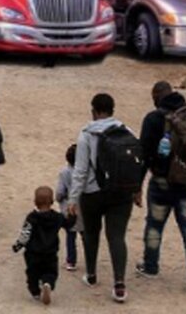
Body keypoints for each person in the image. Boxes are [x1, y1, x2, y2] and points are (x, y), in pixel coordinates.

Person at [67, 92, 141, 303]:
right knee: (117, 236)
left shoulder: (86, 134)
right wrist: (137, 190)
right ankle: (119, 284)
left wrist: (72, 200)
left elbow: (80, 171)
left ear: (94, 110)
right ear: (112, 110)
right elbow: (135, 164)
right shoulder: (127, 131)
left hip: (93, 194)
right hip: (121, 191)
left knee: (92, 233)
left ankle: (91, 274)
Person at [136, 81, 186, 292]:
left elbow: (144, 154)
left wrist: (137, 186)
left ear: (156, 96)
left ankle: (150, 266)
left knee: (155, 225)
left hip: (161, 183)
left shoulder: (153, 119)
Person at [12, 185, 78, 305]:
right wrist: (73, 215)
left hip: (33, 253)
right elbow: (69, 225)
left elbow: (25, 234)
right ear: (52, 202)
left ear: (35, 202)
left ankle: (35, 291)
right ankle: (47, 283)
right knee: (51, 272)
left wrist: (18, 245)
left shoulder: (32, 217)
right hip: (50, 252)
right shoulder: (57, 217)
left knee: (32, 273)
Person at [55, 144, 83, 271]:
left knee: (70, 236)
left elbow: (60, 192)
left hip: (68, 210)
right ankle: (90, 258)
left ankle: (71, 261)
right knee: (85, 235)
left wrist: (59, 199)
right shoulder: (85, 172)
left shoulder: (65, 172)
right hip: (83, 209)